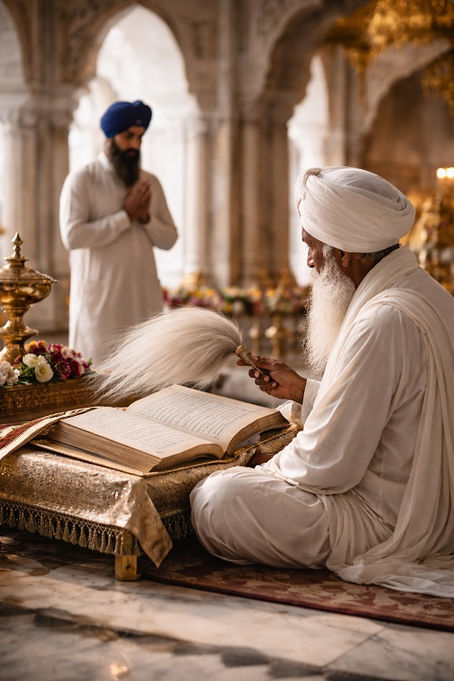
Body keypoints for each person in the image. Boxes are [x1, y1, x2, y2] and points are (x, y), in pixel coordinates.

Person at [190, 166, 454, 597]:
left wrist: (257, 465)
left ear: (345, 253)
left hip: (384, 518)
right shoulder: (426, 294)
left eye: (312, 247)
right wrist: (303, 391)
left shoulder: (381, 320)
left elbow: (330, 467)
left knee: (216, 499)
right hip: (429, 505)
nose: (310, 261)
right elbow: (381, 410)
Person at [60, 100, 178, 365]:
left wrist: (146, 217)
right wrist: (125, 217)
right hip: (100, 304)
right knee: (97, 377)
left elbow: (170, 239)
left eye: (139, 137)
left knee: (145, 375)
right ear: (110, 137)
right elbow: (72, 236)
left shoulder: (150, 182)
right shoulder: (83, 179)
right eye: (128, 137)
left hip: (142, 297)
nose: (135, 145)